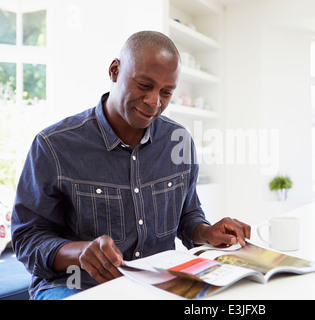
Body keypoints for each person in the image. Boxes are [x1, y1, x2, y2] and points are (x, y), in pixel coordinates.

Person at [11, 31, 251, 300]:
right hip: (75, 287)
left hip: (156, 288)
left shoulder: (178, 141)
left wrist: (206, 232)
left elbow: (187, 216)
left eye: (166, 92)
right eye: (144, 85)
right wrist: (80, 252)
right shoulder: (53, 145)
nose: (154, 102)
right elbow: (27, 239)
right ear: (115, 70)